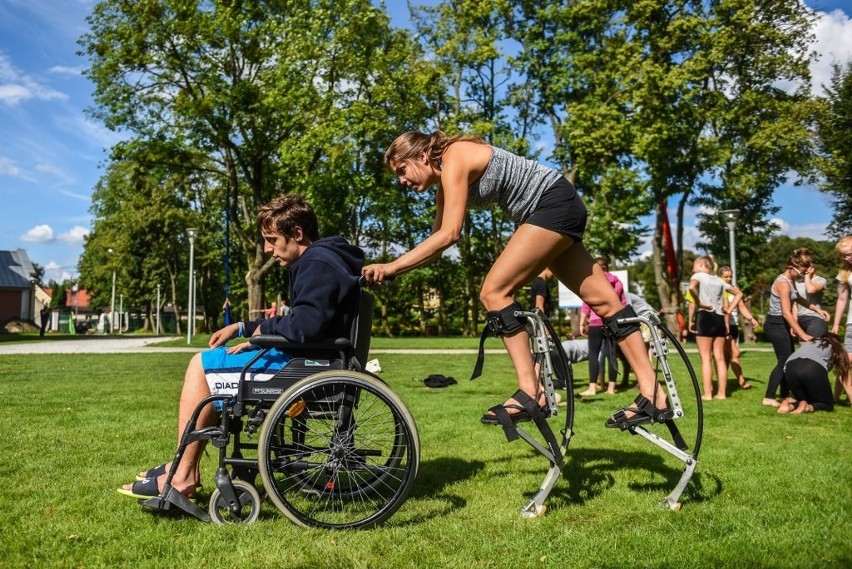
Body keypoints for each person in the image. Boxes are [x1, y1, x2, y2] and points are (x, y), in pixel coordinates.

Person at [363, 130, 664, 431]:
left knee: (494, 293)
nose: (402, 181)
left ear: (422, 156)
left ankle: (531, 392)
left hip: (550, 206)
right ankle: (654, 394)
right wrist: (392, 270)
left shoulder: (454, 157)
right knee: (606, 301)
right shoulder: (445, 184)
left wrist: (391, 267)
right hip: (560, 205)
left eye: (402, 170)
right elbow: (437, 245)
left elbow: (450, 233)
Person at [119, 194, 365, 499]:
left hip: (305, 369)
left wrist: (256, 330)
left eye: (272, 239)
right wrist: (249, 332)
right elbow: (308, 324)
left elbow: (306, 326)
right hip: (312, 361)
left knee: (202, 366)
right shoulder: (324, 259)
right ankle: (182, 466)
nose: (267, 249)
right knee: (212, 362)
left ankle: (182, 475)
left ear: (297, 233)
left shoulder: (316, 264)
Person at [762, 250, 830, 408]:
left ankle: (785, 395)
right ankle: (769, 396)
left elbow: (799, 299)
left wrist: (817, 310)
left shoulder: (789, 281)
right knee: (784, 360)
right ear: (791, 267)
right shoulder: (783, 283)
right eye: (802, 272)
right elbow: (786, 313)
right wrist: (803, 334)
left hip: (781, 324)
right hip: (776, 324)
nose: (802, 276)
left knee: (789, 359)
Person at [688, 256, 742, 400]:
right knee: (720, 358)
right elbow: (739, 294)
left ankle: (707, 394)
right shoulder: (719, 280)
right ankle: (722, 394)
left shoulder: (698, 275)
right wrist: (729, 309)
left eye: (694, 265)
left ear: (700, 264)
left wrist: (700, 303)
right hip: (719, 319)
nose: (693, 268)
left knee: (705, 358)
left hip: (705, 317)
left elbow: (691, 287)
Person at [578, 257, 626, 396]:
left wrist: (582, 322)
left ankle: (592, 388)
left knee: (593, 355)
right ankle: (611, 388)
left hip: (595, 322)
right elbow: (622, 302)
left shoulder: (593, 282)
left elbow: (587, 302)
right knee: (612, 354)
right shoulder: (616, 281)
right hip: (612, 322)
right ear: (607, 266)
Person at [777, 333, 850, 414]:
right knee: (827, 405)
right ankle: (808, 407)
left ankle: (789, 406)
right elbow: (844, 376)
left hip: (790, 368)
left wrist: (784, 393)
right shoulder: (834, 347)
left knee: (805, 400)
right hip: (812, 367)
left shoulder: (810, 343)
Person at [718, 266, 758, 391]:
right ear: (720, 277)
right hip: (724, 325)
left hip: (734, 325)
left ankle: (721, 386)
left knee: (725, 357)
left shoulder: (734, 289)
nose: (729, 279)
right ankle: (741, 381)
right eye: (726, 276)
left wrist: (751, 318)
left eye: (730, 276)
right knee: (735, 353)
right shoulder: (720, 289)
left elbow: (741, 307)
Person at [831, 235, 852, 403]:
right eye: (844, 255)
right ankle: (836, 397)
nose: (847, 258)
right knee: (846, 362)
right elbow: (842, 299)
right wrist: (836, 324)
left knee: (847, 362)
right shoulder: (844, 273)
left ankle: (835, 397)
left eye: (849, 254)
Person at [792, 249, 828, 337]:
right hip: (800, 320)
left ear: (811, 266)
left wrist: (807, 275)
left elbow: (810, 290)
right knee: (803, 350)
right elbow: (795, 305)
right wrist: (794, 324)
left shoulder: (820, 280)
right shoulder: (797, 282)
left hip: (815, 318)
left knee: (812, 348)